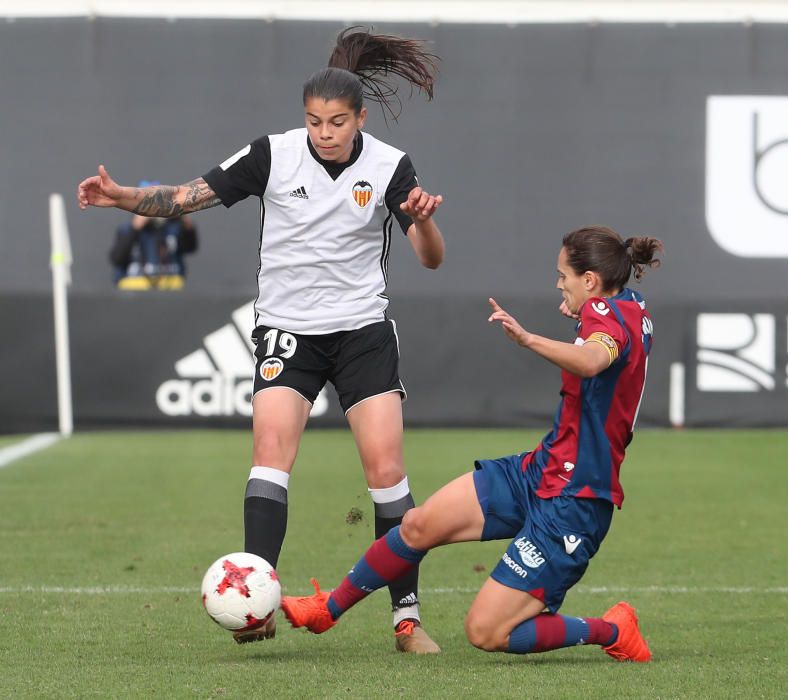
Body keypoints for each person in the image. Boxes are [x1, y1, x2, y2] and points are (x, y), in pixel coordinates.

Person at [77, 28, 445, 653]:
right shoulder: (272, 154)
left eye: (335, 122)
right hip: (288, 331)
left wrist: (425, 218)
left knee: (386, 473)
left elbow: (431, 259)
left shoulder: (390, 166)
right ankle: (259, 600)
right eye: (313, 120)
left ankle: (405, 618)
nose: (323, 132)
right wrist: (121, 199)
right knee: (270, 460)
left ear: (358, 119)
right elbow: (185, 196)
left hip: (362, 331)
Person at [280, 226, 663, 663]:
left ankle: (612, 629)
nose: (558, 283)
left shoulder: (603, 312)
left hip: (575, 499)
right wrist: (582, 316)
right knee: (418, 525)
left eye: (563, 276)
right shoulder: (628, 305)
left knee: (487, 632)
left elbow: (595, 360)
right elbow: (607, 338)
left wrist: (529, 338)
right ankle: (326, 611)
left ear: (591, 280)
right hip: (541, 469)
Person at [109, 182, 199, 289]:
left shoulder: (173, 227)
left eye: (158, 201)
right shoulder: (128, 229)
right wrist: (135, 228)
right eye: (147, 202)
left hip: (169, 287)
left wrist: (185, 223)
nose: (153, 208)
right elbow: (117, 258)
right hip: (134, 288)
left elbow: (190, 247)